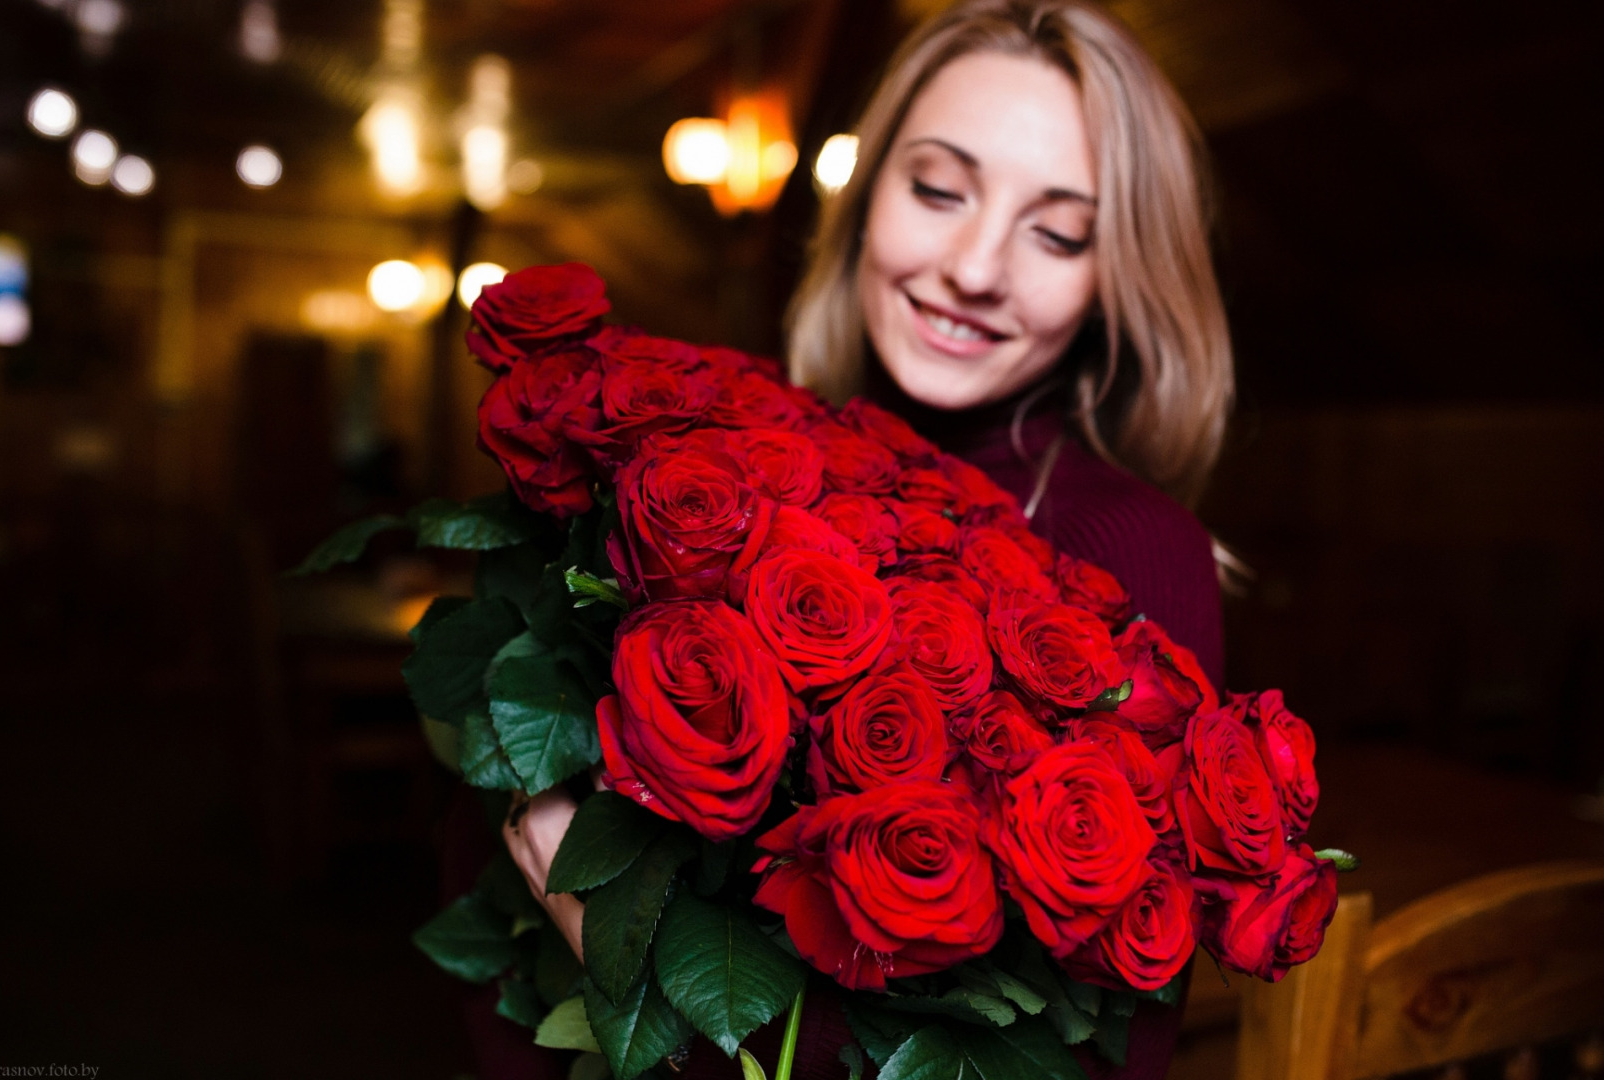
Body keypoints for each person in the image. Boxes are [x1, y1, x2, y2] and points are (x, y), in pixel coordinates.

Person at [492, 1, 1234, 1077]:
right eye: (937, 188)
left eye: (1059, 230)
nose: (975, 266)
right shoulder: (746, 456)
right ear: (865, 190)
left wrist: (628, 961)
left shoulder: (1128, 547)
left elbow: (1110, 1058)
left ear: (1119, 275)